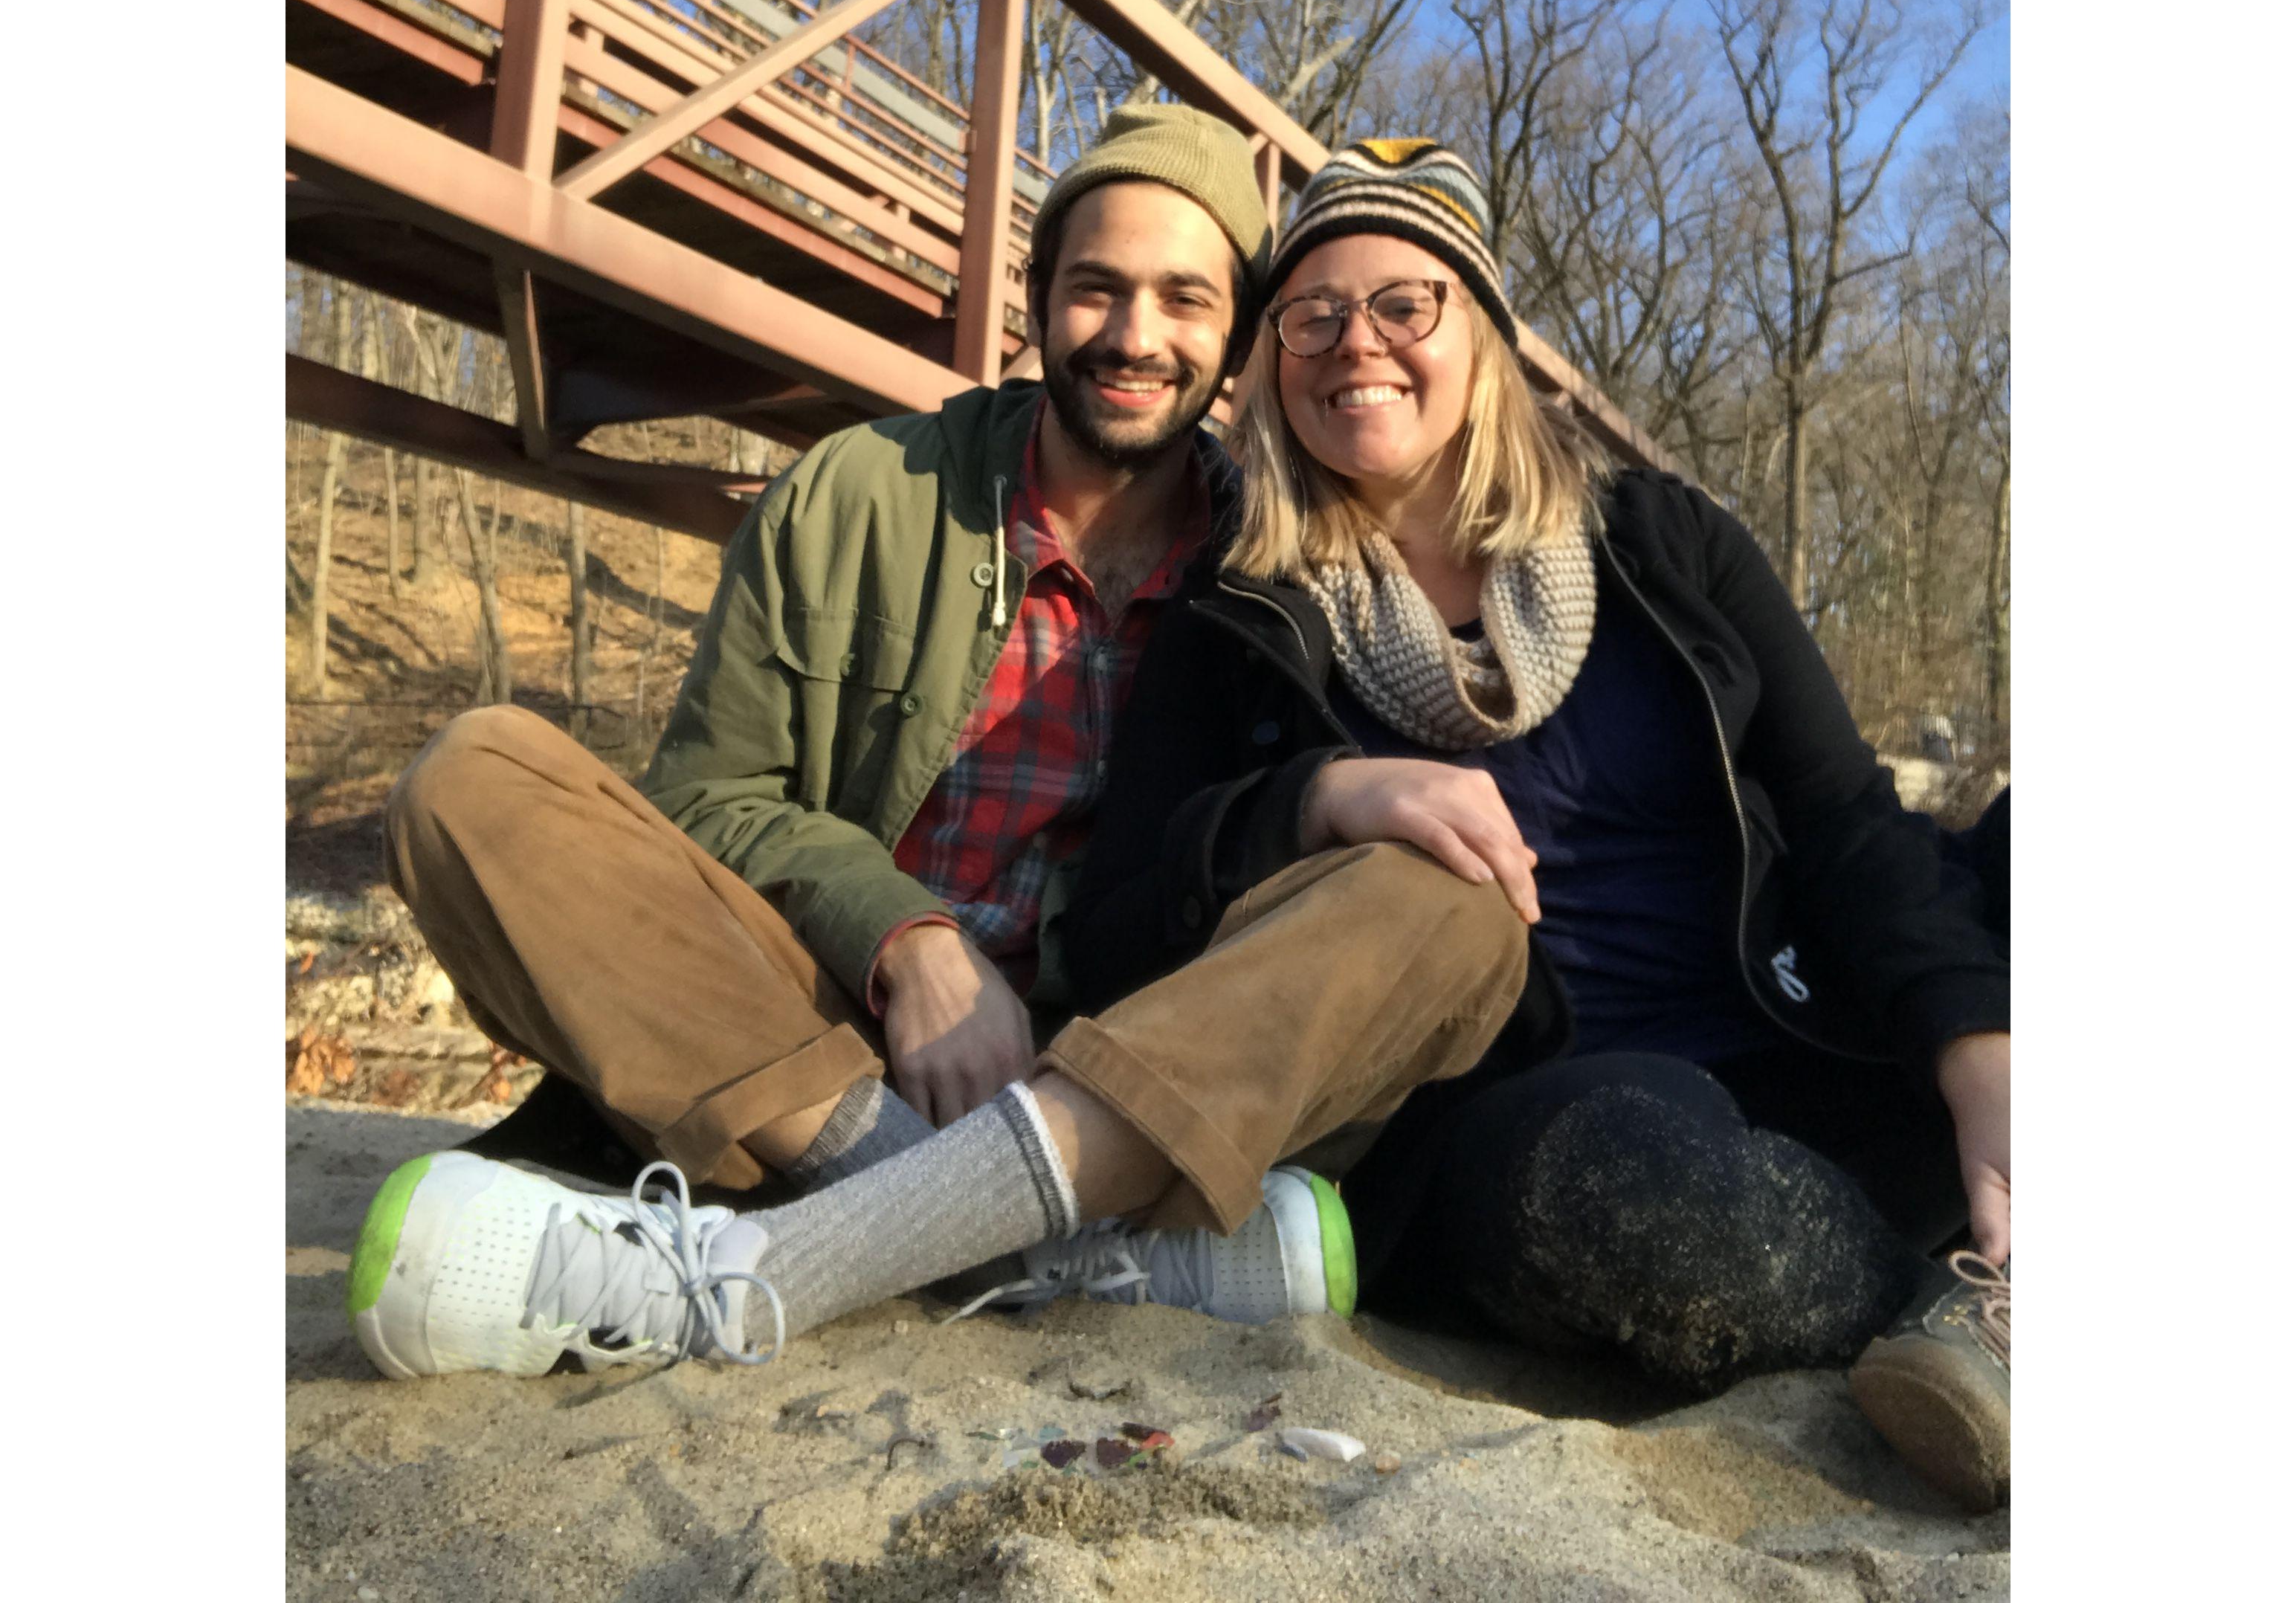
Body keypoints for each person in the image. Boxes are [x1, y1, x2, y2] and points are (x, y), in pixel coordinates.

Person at [346, 105, 1531, 1384]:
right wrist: (905, 937)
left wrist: (1337, 794)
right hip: (807, 1048)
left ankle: (852, 1241)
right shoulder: (860, 489)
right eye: (1097, 288)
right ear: (1038, 300)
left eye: (1186, 299)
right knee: (473, 776)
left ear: (1235, 339)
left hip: (1119, 1090)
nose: (1137, 336)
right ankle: (1021, 1243)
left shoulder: (1289, 561)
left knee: (1455, 906)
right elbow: (705, 797)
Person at [1057, 138, 2013, 1512]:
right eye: (1311, 315)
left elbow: (1848, 818)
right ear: (1271, 361)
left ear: (1487, 337)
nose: (1354, 344)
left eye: (1405, 303)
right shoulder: (1239, 612)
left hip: (1819, 1027)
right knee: (1641, 1194)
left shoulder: (1663, 544)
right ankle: (1959, 1309)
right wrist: (1318, 800)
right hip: (1535, 1123)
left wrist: (1976, 1042)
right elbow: (1118, 938)